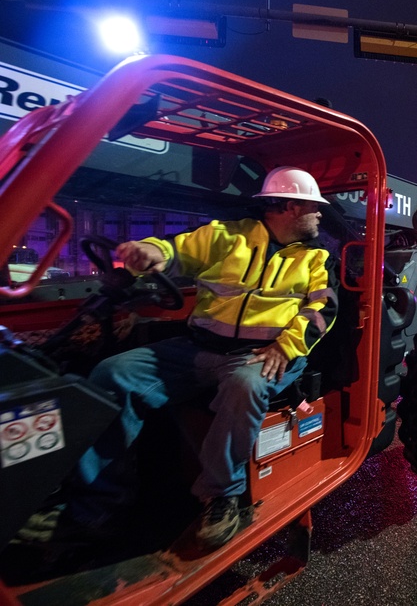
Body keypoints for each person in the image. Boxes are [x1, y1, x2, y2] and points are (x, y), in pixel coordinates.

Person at [18, 166, 338, 551]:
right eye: (314, 206)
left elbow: (324, 310)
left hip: (262, 356)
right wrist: (151, 251)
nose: (320, 214)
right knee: (113, 373)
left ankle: (223, 495)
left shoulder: (315, 259)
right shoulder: (227, 237)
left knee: (245, 385)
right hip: (199, 347)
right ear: (289, 207)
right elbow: (176, 249)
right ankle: (98, 505)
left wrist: (285, 347)